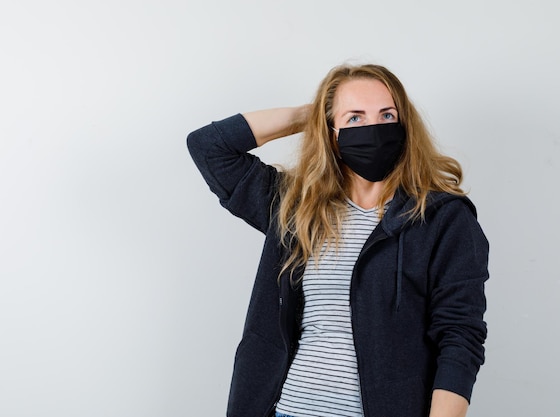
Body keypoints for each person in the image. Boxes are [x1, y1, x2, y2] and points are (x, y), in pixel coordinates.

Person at [187, 63, 489, 417]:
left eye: (387, 115)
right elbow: (208, 147)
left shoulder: (443, 217)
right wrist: (310, 115)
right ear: (332, 131)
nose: (373, 128)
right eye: (355, 118)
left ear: (405, 125)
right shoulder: (295, 206)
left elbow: (460, 336)